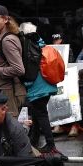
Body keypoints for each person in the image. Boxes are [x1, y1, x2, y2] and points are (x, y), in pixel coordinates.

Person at [18, 23, 59, 154]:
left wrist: (26, 85)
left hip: (37, 86)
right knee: (37, 113)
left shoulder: (28, 46)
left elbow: (29, 71)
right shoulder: (41, 45)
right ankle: (33, 140)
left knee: (41, 114)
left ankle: (50, 144)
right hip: (47, 84)